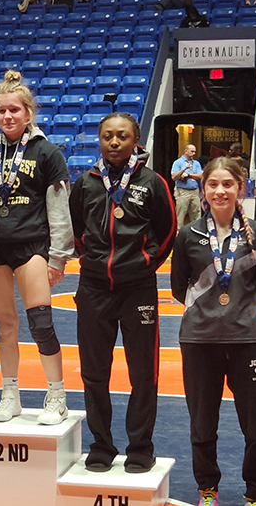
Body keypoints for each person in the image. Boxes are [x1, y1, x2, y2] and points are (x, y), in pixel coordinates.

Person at [68, 112, 176, 474]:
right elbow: (77, 230)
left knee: (143, 373)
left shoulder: (153, 182)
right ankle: (101, 445)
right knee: (94, 373)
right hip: (94, 288)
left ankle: (141, 447)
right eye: (107, 137)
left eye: (122, 136)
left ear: (136, 141)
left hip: (138, 290)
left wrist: (144, 264)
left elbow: (168, 229)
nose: (114, 142)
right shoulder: (84, 183)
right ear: (99, 141)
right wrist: (95, 262)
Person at [170, 157, 256, 506]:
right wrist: (213, 308)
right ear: (203, 190)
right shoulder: (189, 234)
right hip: (199, 340)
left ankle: (255, 495)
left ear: (240, 188)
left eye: (227, 184)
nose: (220, 191)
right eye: (213, 184)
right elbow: (177, 288)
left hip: (247, 340)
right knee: (203, 423)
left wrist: (241, 305)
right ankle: (207, 489)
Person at [0, 71, 72, 424]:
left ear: (28, 113)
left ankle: (56, 394)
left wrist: (58, 257)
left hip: (32, 247)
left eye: (15, 110)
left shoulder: (47, 152)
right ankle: (9, 395)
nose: (8, 116)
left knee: (41, 322)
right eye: (2, 111)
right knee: (6, 325)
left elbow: (59, 210)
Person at [172, 144, 203, 227]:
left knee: (196, 214)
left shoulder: (196, 163)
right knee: (180, 215)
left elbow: (200, 176)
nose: (194, 153)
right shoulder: (178, 162)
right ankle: (178, 235)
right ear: (186, 151)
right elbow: (174, 177)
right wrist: (182, 171)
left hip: (194, 191)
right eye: (192, 151)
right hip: (182, 191)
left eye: (195, 152)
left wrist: (188, 174)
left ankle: (196, 232)